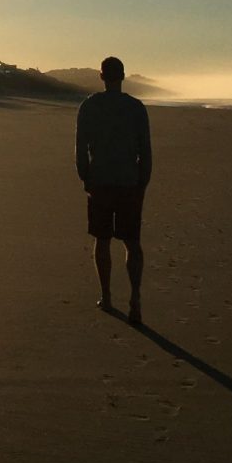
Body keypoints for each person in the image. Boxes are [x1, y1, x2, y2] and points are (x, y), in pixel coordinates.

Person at [76, 55, 152, 324]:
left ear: (101, 76)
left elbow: (81, 147)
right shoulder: (136, 108)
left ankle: (107, 296)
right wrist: (142, 182)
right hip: (129, 182)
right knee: (132, 242)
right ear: (123, 76)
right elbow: (146, 152)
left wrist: (85, 177)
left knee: (103, 239)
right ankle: (135, 298)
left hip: (101, 182)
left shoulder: (90, 106)